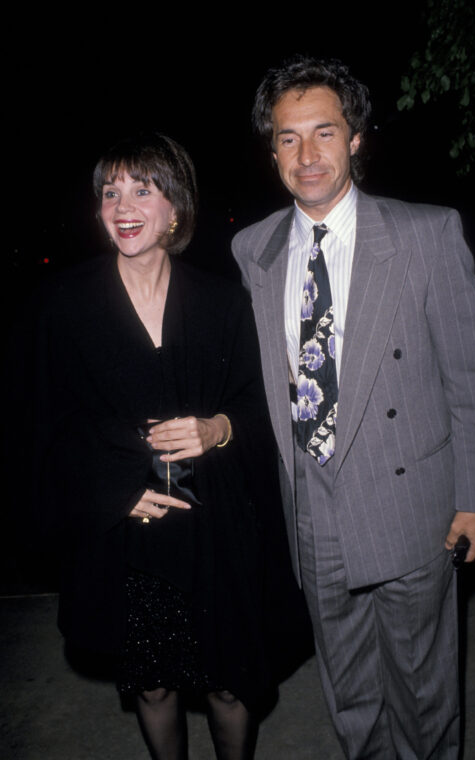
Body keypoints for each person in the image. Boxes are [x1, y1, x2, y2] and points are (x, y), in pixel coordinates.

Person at [232, 55, 475, 759]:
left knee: (423, 693)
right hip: (313, 512)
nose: (308, 154)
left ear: (356, 138)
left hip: (410, 504)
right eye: (288, 138)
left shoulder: (424, 234)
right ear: (272, 151)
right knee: (349, 694)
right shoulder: (251, 248)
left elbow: (473, 376)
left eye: (325, 132)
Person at [32, 132, 276, 760]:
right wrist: (114, 492)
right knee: (155, 686)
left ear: (176, 208)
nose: (123, 204)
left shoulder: (224, 302)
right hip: (131, 536)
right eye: (110, 192)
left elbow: (260, 405)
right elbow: (46, 426)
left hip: (217, 529)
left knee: (229, 686)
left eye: (143, 188)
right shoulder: (65, 306)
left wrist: (216, 428)